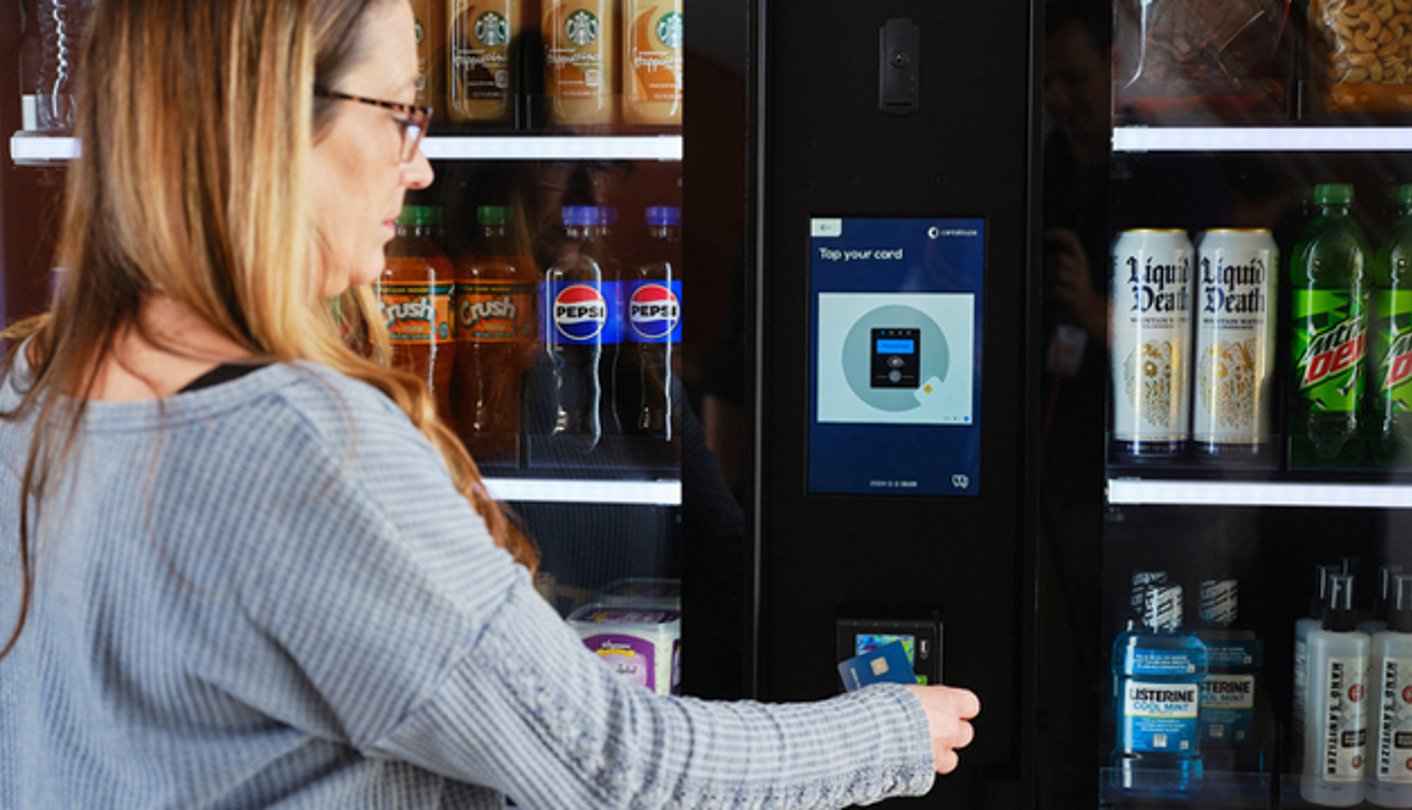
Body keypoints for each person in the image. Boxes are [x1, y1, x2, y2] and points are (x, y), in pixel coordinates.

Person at [0, 1, 979, 807]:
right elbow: (606, 762)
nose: (419, 163)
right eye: (399, 114)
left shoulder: (30, 385)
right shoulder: (301, 445)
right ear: (269, 120)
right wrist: (891, 729)